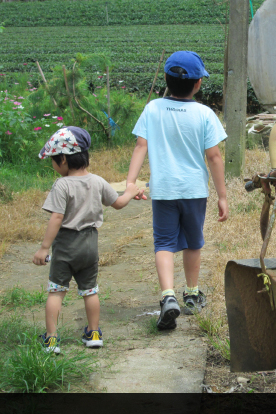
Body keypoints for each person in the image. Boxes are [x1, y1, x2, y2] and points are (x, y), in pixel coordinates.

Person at [126, 50, 228, 331]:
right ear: (198, 84)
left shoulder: (153, 109)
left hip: (164, 190)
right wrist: (222, 195)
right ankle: (192, 294)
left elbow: (140, 146)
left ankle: (168, 296)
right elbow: (215, 157)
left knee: (164, 243)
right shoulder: (205, 113)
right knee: (193, 242)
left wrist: (130, 183)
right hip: (194, 190)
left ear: (166, 81)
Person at [33, 126, 141, 354]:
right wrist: (131, 191)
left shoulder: (62, 185)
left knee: (56, 291)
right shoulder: (98, 181)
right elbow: (119, 203)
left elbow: (57, 217)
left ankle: (51, 339)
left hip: (65, 246)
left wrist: (44, 248)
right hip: (90, 245)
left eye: (53, 160)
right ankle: (93, 333)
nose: (53, 165)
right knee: (90, 290)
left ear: (63, 159)